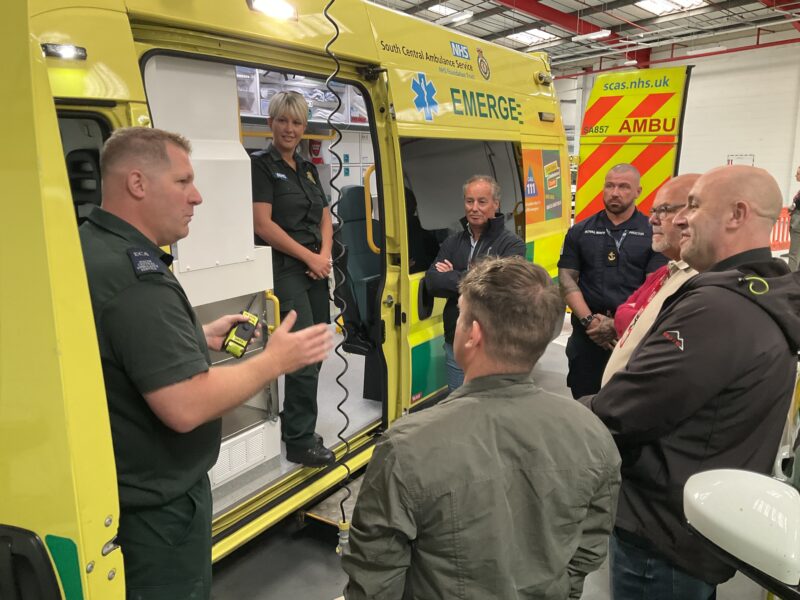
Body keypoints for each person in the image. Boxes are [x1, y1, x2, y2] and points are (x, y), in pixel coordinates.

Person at [80, 127, 332, 598]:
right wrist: (274, 360)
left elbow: (119, 349)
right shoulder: (137, 278)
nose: (196, 197)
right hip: (159, 513)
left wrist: (196, 337)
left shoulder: (92, 247)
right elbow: (186, 405)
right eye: (183, 182)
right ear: (137, 183)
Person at [343, 256, 621, 600]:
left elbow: (374, 580)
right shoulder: (593, 435)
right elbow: (589, 545)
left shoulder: (406, 447)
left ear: (473, 334)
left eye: (460, 314)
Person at [582, 165, 800, 599]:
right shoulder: (752, 291)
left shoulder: (718, 308)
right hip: (691, 523)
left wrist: (545, 413)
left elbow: (624, 411)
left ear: (737, 214)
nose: (682, 219)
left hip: (662, 533)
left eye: (694, 206)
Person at [251, 91, 344, 466]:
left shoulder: (306, 168)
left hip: (315, 269)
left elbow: (324, 214)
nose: (290, 128)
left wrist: (323, 256)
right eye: (283, 120)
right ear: (271, 123)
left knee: (318, 345)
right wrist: (309, 256)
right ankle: (300, 441)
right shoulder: (261, 166)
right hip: (286, 270)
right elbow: (262, 224)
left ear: (304, 128)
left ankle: (295, 421)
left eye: (297, 122)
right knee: (303, 356)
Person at [558, 163, 666, 399]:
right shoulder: (581, 231)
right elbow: (567, 279)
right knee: (584, 402)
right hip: (587, 335)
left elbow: (655, 289)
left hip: (631, 335)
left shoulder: (653, 233)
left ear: (638, 191)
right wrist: (589, 321)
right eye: (610, 186)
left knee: (626, 404)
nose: (615, 192)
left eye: (624, 187)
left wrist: (616, 324)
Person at [423, 175, 525, 391]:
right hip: (456, 340)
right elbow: (432, 281)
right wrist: (477, 275)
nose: (474, 208)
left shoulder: (512, 244)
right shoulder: (453, 241)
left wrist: (454, 275)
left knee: (490, 407)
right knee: (457, 404)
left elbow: (498, 289)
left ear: (495, 204)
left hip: (494, 345)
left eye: (482, 201)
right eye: (469, 201)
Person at [601, 174, 700, 385]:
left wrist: (628, 317)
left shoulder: (701, 282)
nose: (652, 219)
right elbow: (627, 311)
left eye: (664, 210)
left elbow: (635, 320)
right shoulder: (670, 270)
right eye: (653, 211)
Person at [787, 163, 800, 271]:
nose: (796, 176)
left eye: (798, 174)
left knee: (793, 254)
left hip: (798, 223)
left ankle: (790, 278)